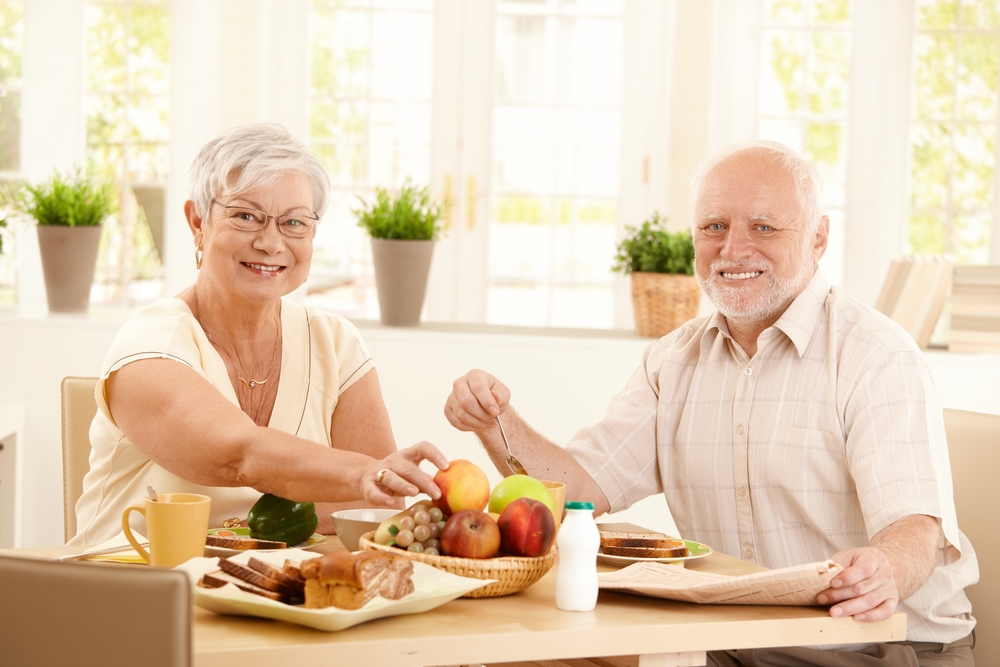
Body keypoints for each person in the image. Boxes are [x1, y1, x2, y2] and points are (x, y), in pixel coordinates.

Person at [444, 140, 978, 666]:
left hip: (878, 646)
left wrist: (884, 566)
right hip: (735, 641)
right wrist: (496, 423)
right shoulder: (673, 361)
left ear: (818, 238)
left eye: (764, 227)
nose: (733, 249)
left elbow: (916, 527)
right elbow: (579, 490)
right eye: (713, 227)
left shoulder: (876, 356)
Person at [71, 123, 448, 546]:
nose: (271, 243)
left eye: (293, 223)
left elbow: (374, 512)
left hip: (275, 597)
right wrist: (358, 474)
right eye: (246, 216)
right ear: (198, 222)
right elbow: (239, 455)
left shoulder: (336, 344)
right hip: (134, 592)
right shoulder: (149, 345)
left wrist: (367, 488)